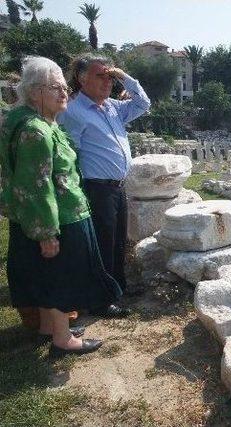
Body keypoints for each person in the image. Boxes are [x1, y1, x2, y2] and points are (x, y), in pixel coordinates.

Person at [0, 56, 123, 355]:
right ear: (34, 92)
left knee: (45, 276)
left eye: (63, 86)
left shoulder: (33, 123)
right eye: (54, 87)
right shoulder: (37, 131)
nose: (63, 92)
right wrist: (47, 233)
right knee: (60, 278)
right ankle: (63, 339)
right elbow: (37, 185)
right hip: (57, 217)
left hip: (41, 216)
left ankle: (49, 327)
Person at [58, 54, 151, 318]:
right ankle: (100, 300)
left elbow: (143, 103)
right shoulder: (74, 112)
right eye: (101, 75)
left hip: (118, 187)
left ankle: (117, 289)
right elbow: (71, 153)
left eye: (110, 77)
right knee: (103, 242)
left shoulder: (112, 107)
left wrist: (125, 78)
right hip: (96, 187)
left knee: (117, 240)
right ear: (81, 78)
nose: (107, 82)